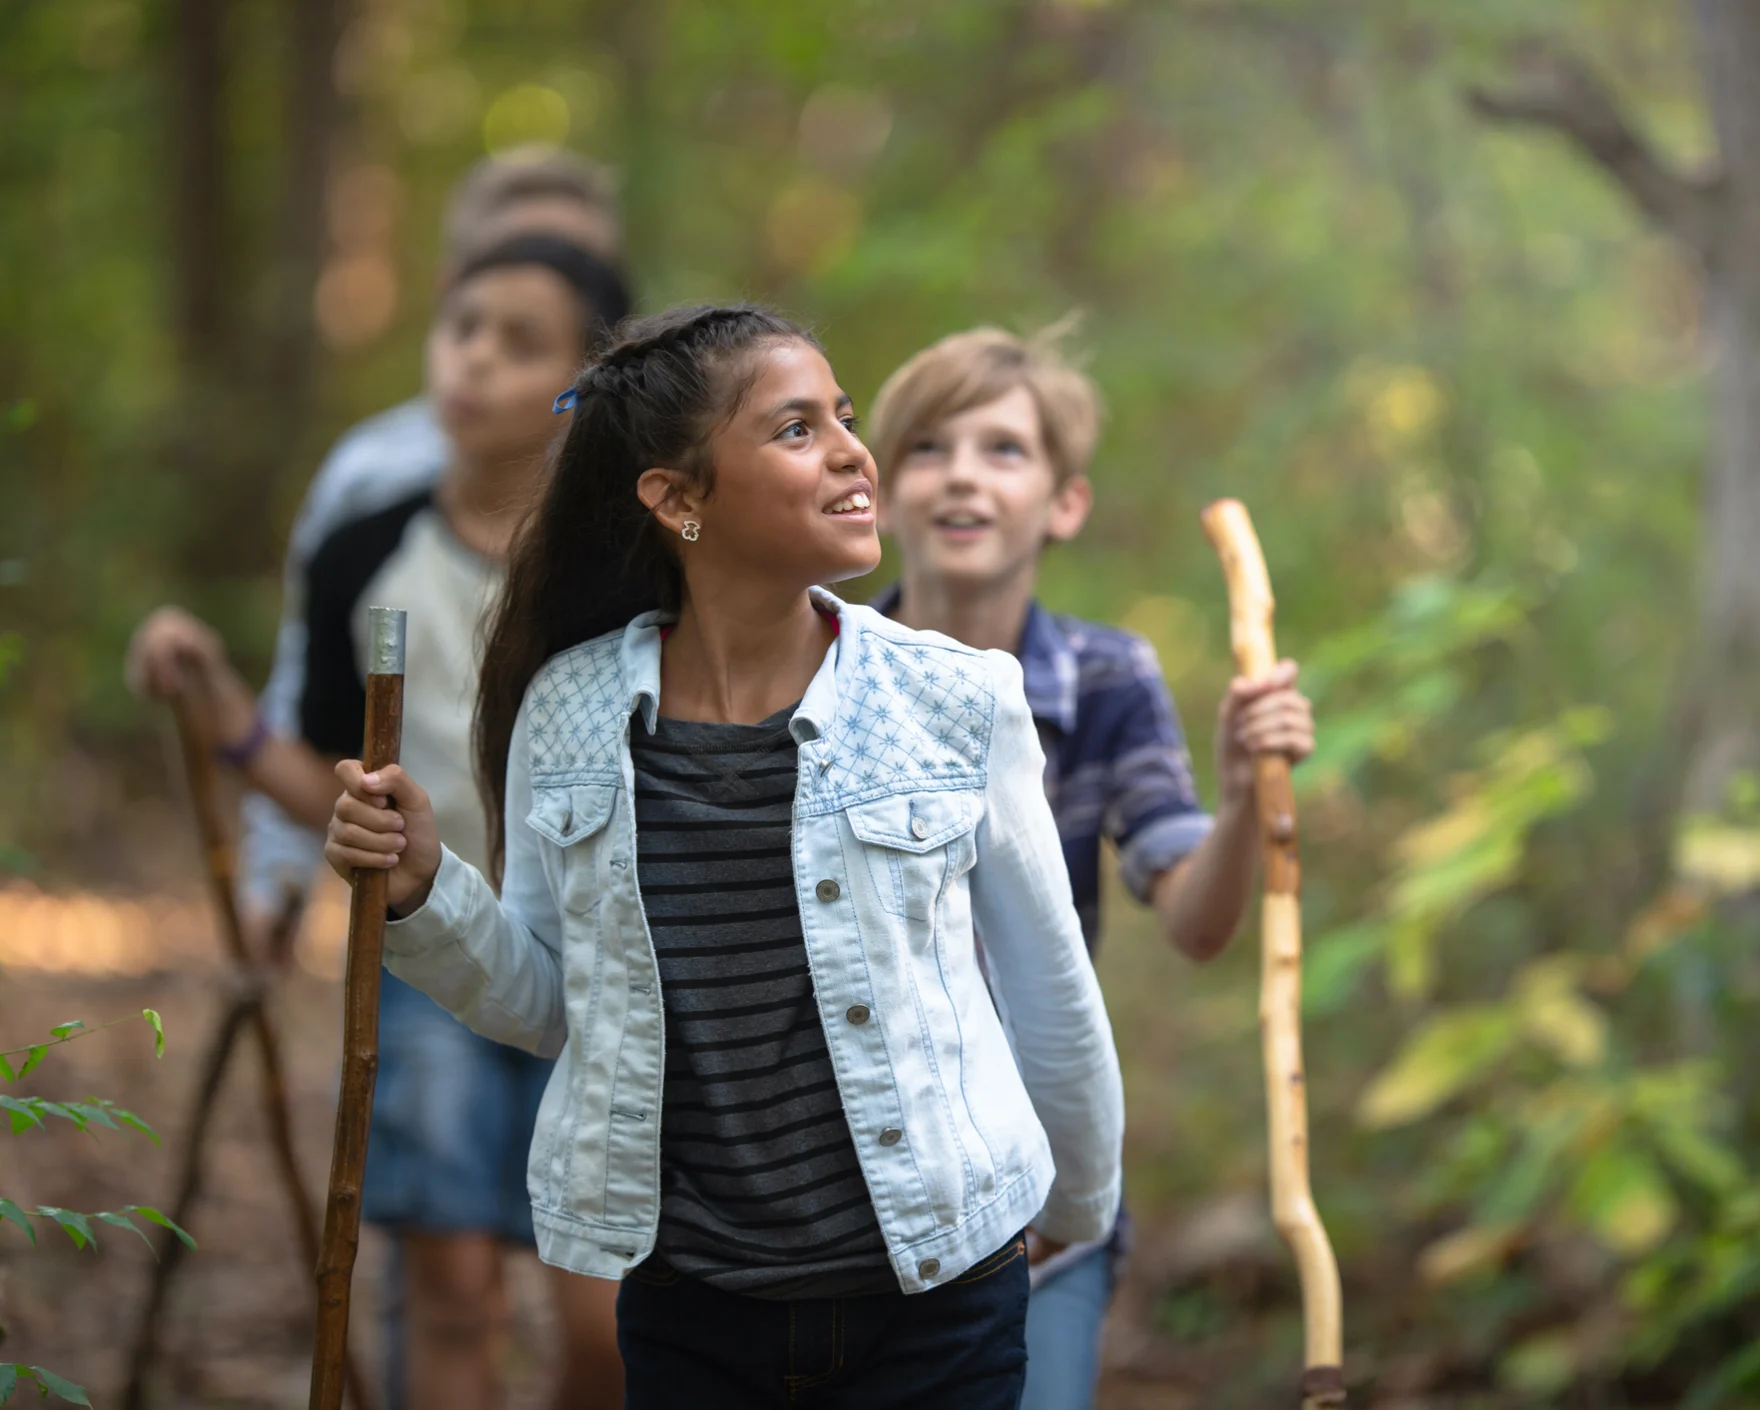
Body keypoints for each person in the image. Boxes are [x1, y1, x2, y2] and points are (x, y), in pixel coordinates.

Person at [317, 303, 1125, 1410]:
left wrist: (1072, 1212)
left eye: (844, 417)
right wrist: (423, 889)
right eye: (796, 430)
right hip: (693, 1305)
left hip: (939, 1295)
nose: (852, 450)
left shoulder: (952, 698)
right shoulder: (575, 709)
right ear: (677, 498)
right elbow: (554, 1003)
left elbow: (1049, 989)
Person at [128, 235, 634, 1410]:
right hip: (423, 955)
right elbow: (327, 781)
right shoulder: (366, 549)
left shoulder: (627, 567)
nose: (474, 361)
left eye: (521, 343)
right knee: (449, 1289)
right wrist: (220, 711)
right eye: (462, 328)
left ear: (587, 380)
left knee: (604, 1322)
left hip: (612, 964)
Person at [862, 325, 1316, 1410]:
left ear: (1063, 504)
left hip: (1039, 1188)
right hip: (855, 1185)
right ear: (877, 495)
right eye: (928, 447)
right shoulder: (820, 668)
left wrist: (1245, 790)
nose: (963, 472)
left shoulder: (1108, 678)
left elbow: (1196, 923)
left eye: (1004, 450)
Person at [241, 146, 625, 916]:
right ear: (449, 289)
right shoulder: (367, 493)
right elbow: (310, 707)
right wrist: (274, 881)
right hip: (427, 926)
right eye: (469, 321)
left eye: (566, 265)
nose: (480, 358)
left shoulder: (639, 538)